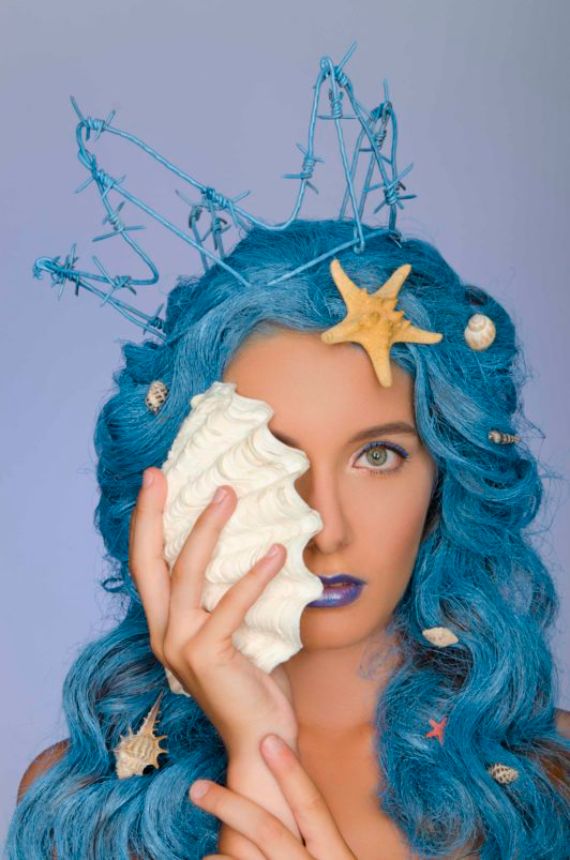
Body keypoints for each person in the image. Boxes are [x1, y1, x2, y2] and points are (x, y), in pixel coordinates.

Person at [9, 219, 570, 859]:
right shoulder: (82, 809)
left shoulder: (554, 786)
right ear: (180, 486)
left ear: (443, 480)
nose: (325, 529)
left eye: (378, 457)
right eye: (266, 458)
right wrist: (255, 748)